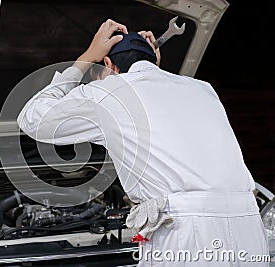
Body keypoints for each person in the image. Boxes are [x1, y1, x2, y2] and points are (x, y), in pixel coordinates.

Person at [17, 19, 269, 266]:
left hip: (187, 234)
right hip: (248, 225)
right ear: (153, 60)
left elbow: (32, 119)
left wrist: (86, 56)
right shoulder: (203, 89)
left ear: (108, 64)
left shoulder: (108, 91)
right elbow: (163, 106)